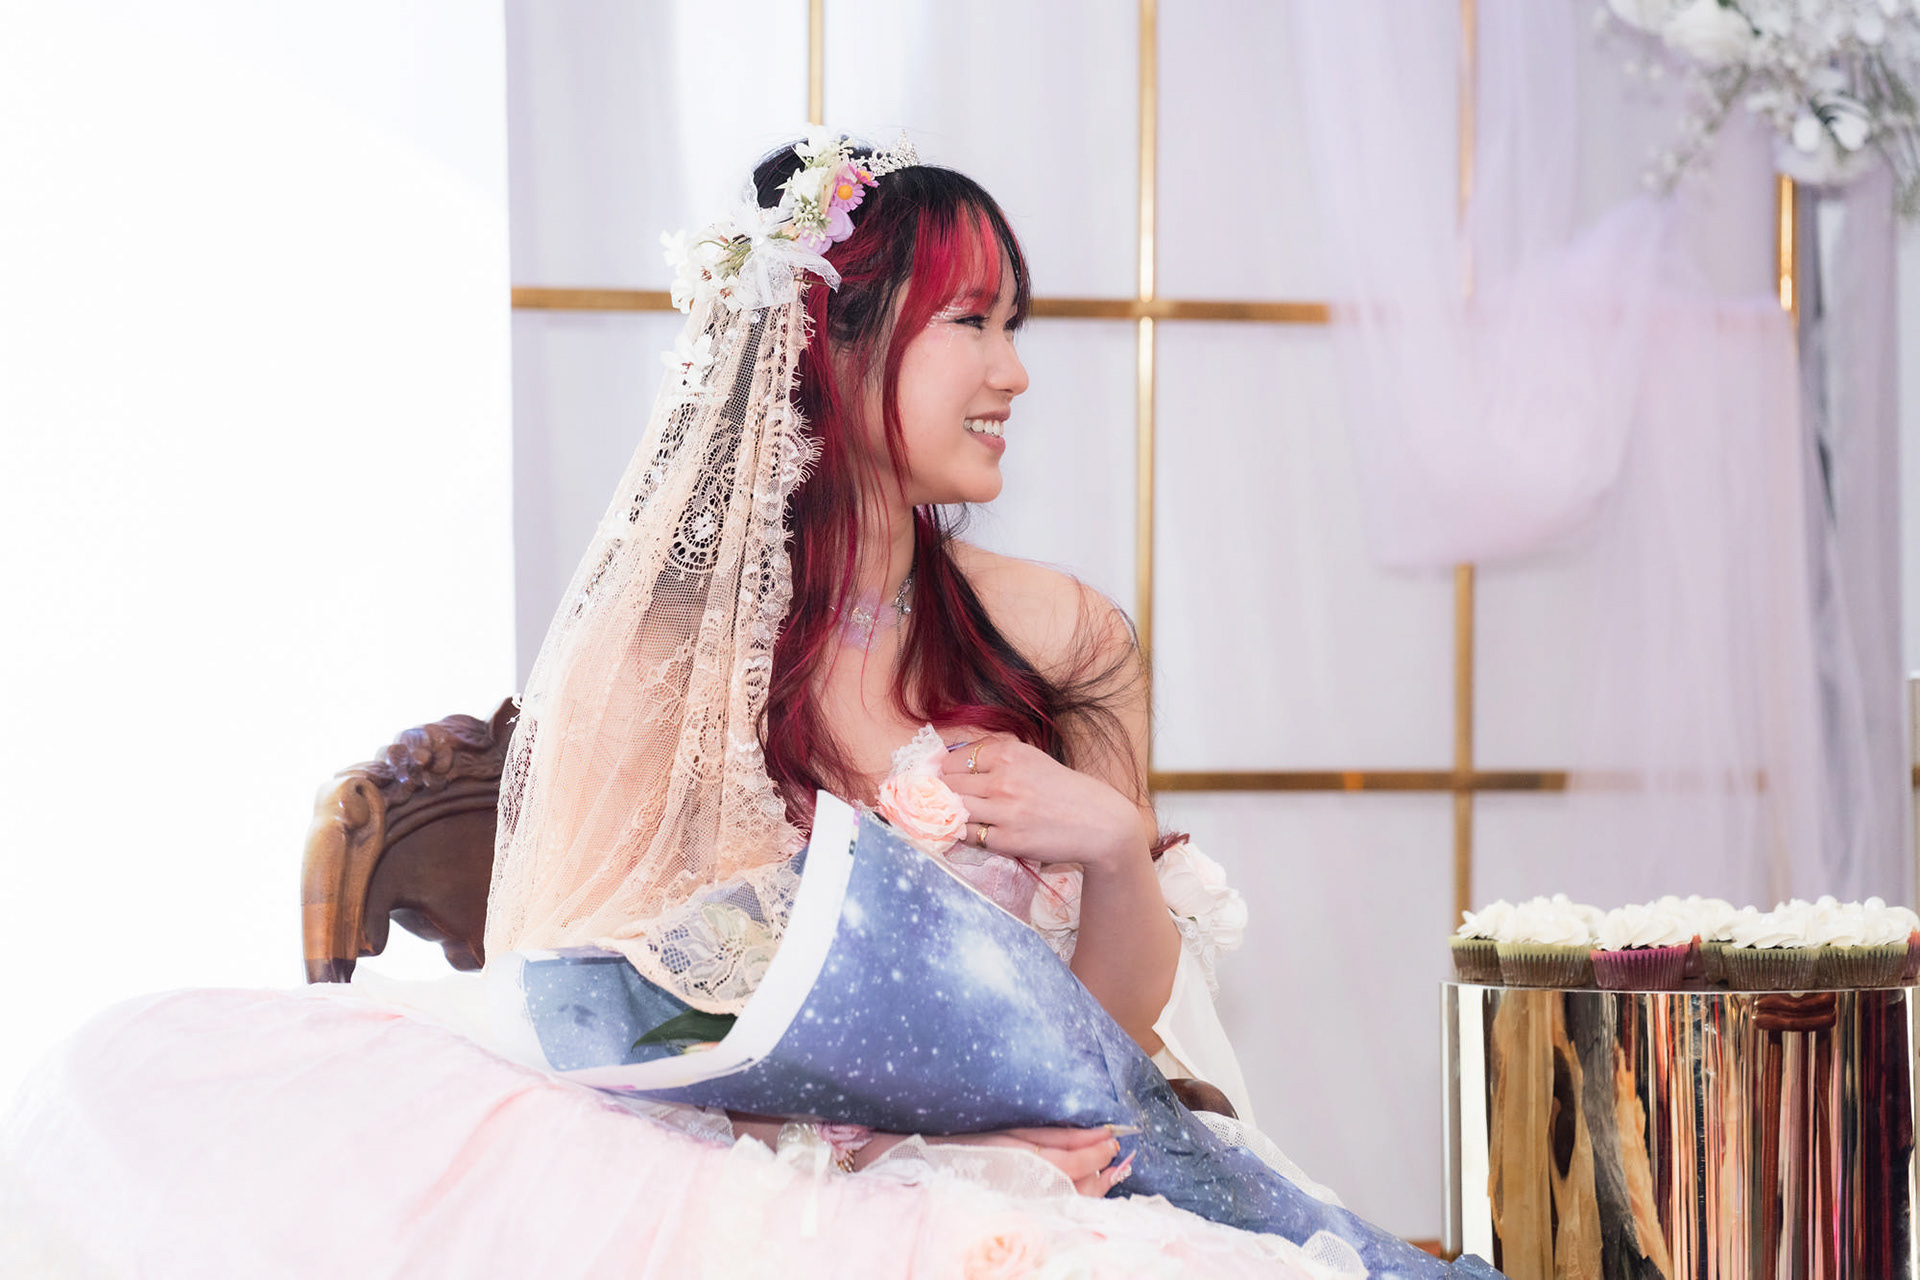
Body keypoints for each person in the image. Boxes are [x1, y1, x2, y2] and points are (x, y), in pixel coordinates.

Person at [0, 134, 1483, 1279]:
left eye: (1014, 324)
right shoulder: (665, 658)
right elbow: (607, 1026)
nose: (1016, 372)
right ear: (833, 343)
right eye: (972, 322)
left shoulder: (1065, 636)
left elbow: (1111, 1028)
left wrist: (1105, 844)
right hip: (783, 1176)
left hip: (1061, 1160)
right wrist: (922, 1157)